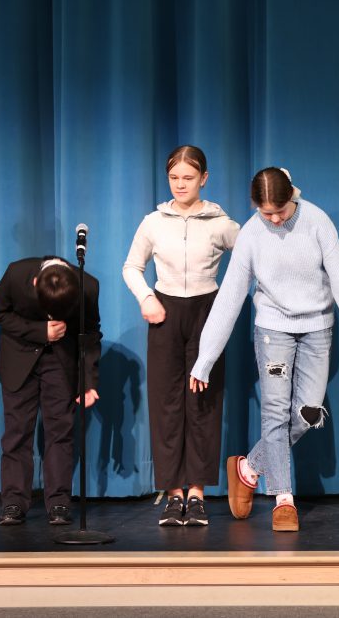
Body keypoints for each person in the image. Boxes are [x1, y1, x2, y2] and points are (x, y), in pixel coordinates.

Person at [189, 167, 339, 532]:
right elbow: (230, 297)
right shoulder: (250, 234)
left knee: (309, 413)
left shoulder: (317, 222)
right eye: (267, 213)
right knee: (275, 411)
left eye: (280, 210)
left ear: (292, 196)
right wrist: (205, 359)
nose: (275, 219)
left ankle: (248, 467)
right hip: (273, 330)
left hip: (317, 329)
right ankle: (283, 498)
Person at [123, 145, 239, 526]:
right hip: (165, 312)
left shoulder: (220, 222)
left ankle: (197, 493)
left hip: (207, 311)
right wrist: (146, 298)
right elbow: (131, 267)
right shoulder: (153, 222)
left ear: (203, 178)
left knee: (202, 400)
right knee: (167, 402)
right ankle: (173, 494)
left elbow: (250, 259)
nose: (180, 184)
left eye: (188, 178)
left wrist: (228, 302)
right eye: (174, 177)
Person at [0, 257, 101, 526]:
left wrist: (88, 381)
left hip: (60, 363)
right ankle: (14, 502)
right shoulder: (16, 274)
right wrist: (39, 330)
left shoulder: (88, 286)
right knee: (17, 433)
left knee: (60, 433)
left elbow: (91, 334)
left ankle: (59, 502)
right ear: (35, 283)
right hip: (19, 359)